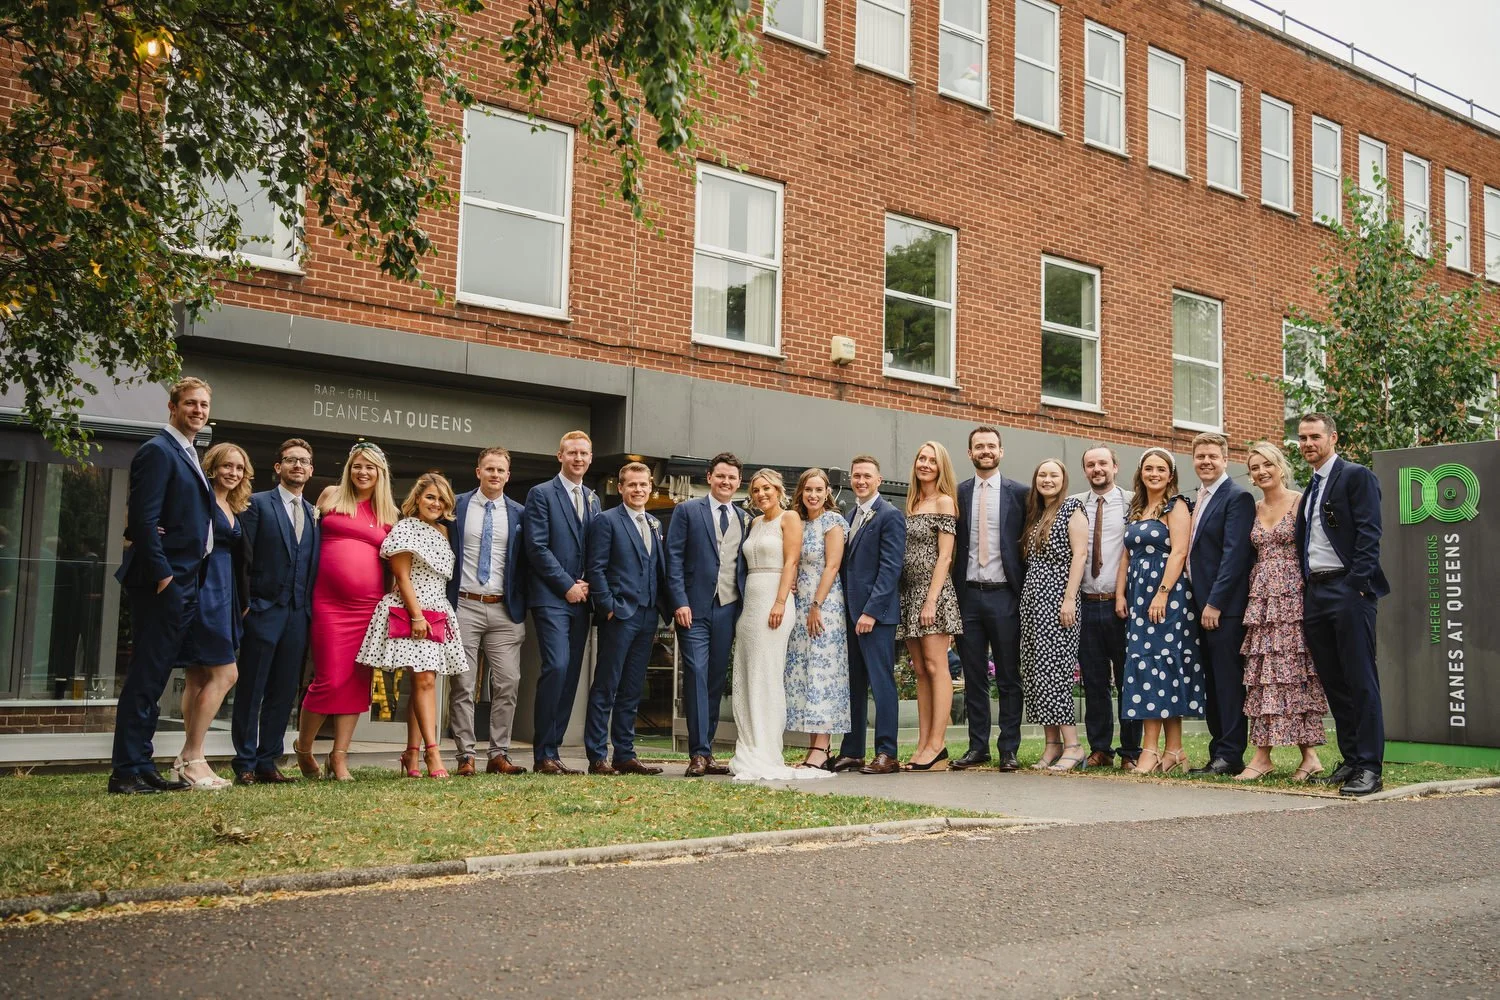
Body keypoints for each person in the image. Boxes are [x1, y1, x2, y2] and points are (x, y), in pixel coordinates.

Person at [108, 377, 216, 795]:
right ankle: (126, 772)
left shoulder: (188, 453)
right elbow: (141, 520)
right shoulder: (158, 451)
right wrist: (164, 576)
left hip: (186, 580)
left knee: (154, 680)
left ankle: (141, 763)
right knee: (145, 677)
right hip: (162, 582)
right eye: (190, 403)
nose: (198, 410)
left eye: (204, 405)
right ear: (172, 407)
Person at [1294, 412, 1388, 797]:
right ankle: (1351, 759)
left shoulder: (1355, 475)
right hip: (1315, 593)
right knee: (1334, 682)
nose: (1307, 444)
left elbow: (1369, 532)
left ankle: (1369, 767)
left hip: (1347, 591)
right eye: (1302, 438)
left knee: (1360, 680)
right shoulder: (1311, 486)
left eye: (1314, 436)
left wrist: (1355, 586)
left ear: (1333, 437)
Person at [294, 441, 398, 781]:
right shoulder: (329, 496)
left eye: (370, 467)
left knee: (356, 681)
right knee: (328, 679)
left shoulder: (389, 514)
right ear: (349, 468)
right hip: (328, 603)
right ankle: (304, 748)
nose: (363, 472)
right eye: (357, 465)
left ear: (380, 473)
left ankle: (339, 757)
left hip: (368, 607)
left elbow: (397, 566)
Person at [357, 473, 467, 778]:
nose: (436, 503)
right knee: (424, 682)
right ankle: (434, 755)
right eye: (430, 496)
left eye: (442, 498)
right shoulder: (405, 528)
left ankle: (412, 755)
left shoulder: (444, 532)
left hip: (438, 609)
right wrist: (416, 615)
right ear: (417, 498)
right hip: (413, 610)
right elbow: (402, 576)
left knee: (425, 683)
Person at [729, 470, 832, 782]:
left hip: (775, 600)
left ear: (778, 490)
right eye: (756, 490)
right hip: (750, 605)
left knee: (768, 674)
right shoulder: (753, 523)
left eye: (767, 489)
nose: (761, 494)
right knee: (748, 674)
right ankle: (750, 745)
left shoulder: (789, 518)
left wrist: (779, 600)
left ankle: (768, 749)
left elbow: (790, 561)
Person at [1237, 441, 1328, 782]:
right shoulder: (1254, 509)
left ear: (1280, 466)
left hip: (1294, 596)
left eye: (1267, 465)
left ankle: (1307, 756)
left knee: (1296, 672)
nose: (1261, 472)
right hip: (1262, 599)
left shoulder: (1300, 502)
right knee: (1265, 675)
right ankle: (1266, 755)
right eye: (1254, 468)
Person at [1116, 447, 1205, 775]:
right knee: (1150, 666)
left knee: (1160, 665)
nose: (1154, 473)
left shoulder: (1176, 505)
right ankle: (1175, 750)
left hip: (1165, 594)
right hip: (1138, 596)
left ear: (1170, 474)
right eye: (1148, 468)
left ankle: (1151, 750)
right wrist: (1120, 594)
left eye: (1160, 469)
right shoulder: (1137, 507)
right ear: (1140, 473)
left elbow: (1180, 551)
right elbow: (1125, 554)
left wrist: (1162, 594)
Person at [237, 439, 320, 784]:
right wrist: (247, 604)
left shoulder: (316, 514)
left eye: (304, 461)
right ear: (278, 467)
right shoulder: (257, 505)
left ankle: (268, 761)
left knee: (284, 691)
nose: (298, 466)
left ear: (311, 470)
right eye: (291, 460)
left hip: (298, 614)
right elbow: (244, 559)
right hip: (263, 609)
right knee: (252, 688)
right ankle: (244, 761)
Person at [446, 447, 529, 777]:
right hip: (464, 604)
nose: (495, 474)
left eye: (501, 470)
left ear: (508, 476)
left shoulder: (520, 513)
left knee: (508, 682)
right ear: (477, 471)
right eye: (489, 469)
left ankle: (499, 754)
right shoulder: (456, 506)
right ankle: (465, 755)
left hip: (505, 610)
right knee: (463, 685)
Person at [665, 452, 749, 777]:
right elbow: (673, 558)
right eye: (721, 476)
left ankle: (709, 751)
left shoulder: (744, 518)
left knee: (714, 680)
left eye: (732, 478)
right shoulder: (687, 511)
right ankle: (698, 753)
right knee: (696, 674)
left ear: (738, 482)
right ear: (709, 477)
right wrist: (679, 602)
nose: (726, 482)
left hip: (728, 608)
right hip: (693, 608)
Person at [173, 441, 251, 790]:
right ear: (212, 467)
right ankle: (194, 756)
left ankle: (185, 759)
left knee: (198, 677)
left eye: (238, 468)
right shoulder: (201, 499)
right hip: (203, 592)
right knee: (226, 674)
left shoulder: (233, 505)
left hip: (225, 594)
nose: (232, 473)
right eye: (226, 466)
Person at [582, 462, 669, 776]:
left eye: (643, 485)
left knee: (633, 687)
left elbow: (657, 569)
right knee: (606, 685)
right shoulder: (606, 521)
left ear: (650, 487)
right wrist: (608, 606)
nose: (638, 490)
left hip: (647, 615)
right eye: (632, 485)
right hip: (619, 614)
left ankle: (625, 754)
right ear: (621, 488)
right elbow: (597, 568)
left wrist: (662, 608)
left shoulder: (655, 524)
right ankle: (596, 756)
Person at [950, 426, 1028, 771]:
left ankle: (1008, 748)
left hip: (1005, 596)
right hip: (968, 595)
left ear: (1001, 451)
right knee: (974, 676)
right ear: (970, 453)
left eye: (991, 446)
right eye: (979, 446)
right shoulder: (957, 494)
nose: (985, 450)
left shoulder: (1020, 494)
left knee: (1010, 676)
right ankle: (977, 746)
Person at [524, 430, 598, 775]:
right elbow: (536, 547)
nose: (578, 458)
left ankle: (553, 752)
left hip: (583, 599)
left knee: (570, 675)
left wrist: (588, 586)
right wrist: (567, 585)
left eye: (583, 453)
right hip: (552, 597)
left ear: (590, 458)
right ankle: (543, 752)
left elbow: (597, 549)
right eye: (572, 453)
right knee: (556, 666)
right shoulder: (541, 494)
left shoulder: (594, 499)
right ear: (560, 456)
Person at [828, 455, 907, 775]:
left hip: (876, 616)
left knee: (881, 682)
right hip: (850, 613)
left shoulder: (889, 515)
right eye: (856, 476)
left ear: (879, 479)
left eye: (867, 476)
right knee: (854, 684)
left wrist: (871, 612)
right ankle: (853, 751)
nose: (861, 481)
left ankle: (887, 753)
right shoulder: (849, 514)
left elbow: (891, 569)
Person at [1184, 432, 1257, 778]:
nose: (1206, 462)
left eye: (1213, 456)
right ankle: (1218, 751)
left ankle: (1230, 754)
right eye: (1200, 456)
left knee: (1228, 683)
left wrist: (1214, 603)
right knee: (1212, 682)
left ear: (1226, 460)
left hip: (1223, 610)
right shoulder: (1198, 497)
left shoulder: (1237, 497)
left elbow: (1234, 556)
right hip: (1199, 608)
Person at [1070, 445, 1143, 770]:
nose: (1097, 468)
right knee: (1095, 682)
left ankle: (1131, 750)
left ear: (1115, 466)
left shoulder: (1132, 503)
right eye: (1090, 464)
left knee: (1129, 679)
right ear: (1085, 470)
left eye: (1102, 463)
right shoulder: (1075, 505)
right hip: (1087, 604)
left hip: (1121, 606)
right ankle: (1100, 748)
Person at [1018, 459, 1089, 771]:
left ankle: (1074, 745)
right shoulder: (1037, 514)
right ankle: (1052, 744)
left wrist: (1069, 598)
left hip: (1059, 601)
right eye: (1042, 474)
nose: (1047, 480)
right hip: (1033, 603)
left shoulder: (1072, 509)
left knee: (1056, 673)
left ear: (1064, 479)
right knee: (1036, 673)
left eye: (1053, 475)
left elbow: (1080, 555)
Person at [896, 442, 961, 771]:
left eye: (932, 460)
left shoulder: (944, 501)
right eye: (921, 458)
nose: (925, 464)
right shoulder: (912, 502)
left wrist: (931, 600)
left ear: (941, 467)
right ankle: (923, 743)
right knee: (920, 670)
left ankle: (937, 745)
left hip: (932, 593)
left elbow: (946, 556)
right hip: (908, 593)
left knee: (937, 668)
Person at [785, 468, 850, 770]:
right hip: (799, 605)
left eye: (818, 490)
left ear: (827, 493)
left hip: (824, 605)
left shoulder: (832, 522)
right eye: (807, 489)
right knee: (806, 673)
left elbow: (833, 565)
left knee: (823, 674)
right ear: (801, 492)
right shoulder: (797, 522)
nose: (813, 495)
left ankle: (823, 748)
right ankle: (814, 746)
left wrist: (816, 604)